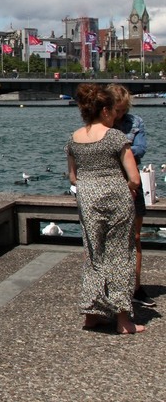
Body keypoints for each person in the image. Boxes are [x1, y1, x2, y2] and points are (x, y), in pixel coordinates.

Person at [66, 84, 144, 334]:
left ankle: (92, 314)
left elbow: (73, 178)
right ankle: (123, 320)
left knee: (94, 255)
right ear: (106, 111)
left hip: (88, 199)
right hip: (116, 198)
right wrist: (127, 187)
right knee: (120, 255)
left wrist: (91, 185)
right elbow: (134, 177)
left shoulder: (74, 139)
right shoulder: (115, 137)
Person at [107, 83, 155, 308]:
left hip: (132, 183)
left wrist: (119, 148)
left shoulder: (135, 122)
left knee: (135, 237)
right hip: (107, 184)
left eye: (124, 109)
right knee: (106, 238)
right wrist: (126, 148)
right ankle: (108, 286)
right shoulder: (99, 123)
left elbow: (141, 148)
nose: (122, 114)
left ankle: (136, 287)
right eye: (118, 109)